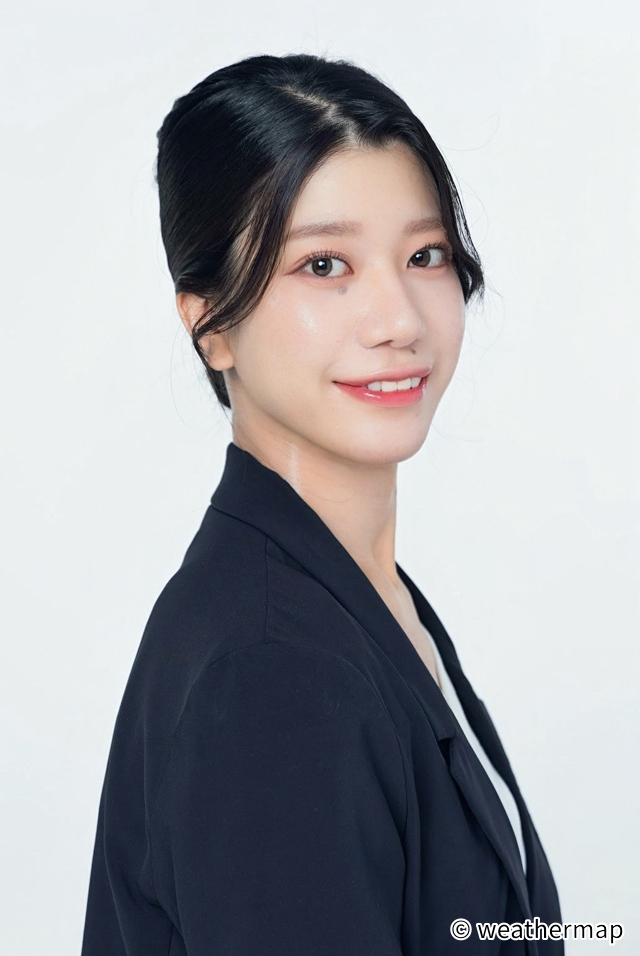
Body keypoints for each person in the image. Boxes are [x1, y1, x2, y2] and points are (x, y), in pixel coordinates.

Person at [81, 52, 563, 955]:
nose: (399, 319)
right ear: (209, 322)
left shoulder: (353, 594)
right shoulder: (275, 672)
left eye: (424, 255)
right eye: (325, 264)